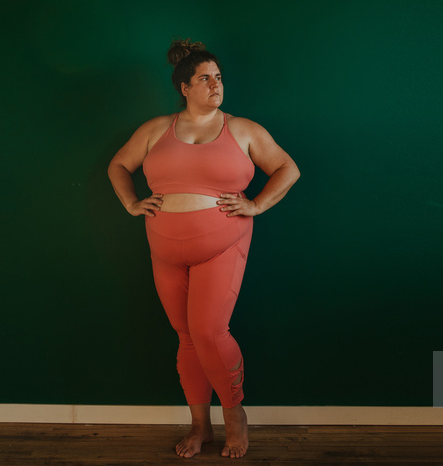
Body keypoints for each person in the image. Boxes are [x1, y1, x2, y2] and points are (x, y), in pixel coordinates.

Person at [107, 39, 300, 459]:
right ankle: (200, 426)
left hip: (222, 245)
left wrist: (255, 204)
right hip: (164, 249)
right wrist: (132, 203)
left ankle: (235, 416)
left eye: (219, 78)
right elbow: (118, 165)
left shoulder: (244, 129)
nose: (216, 85)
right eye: (205, 79)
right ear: (184, 87)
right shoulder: (157, 129)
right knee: (187, 338)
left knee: (210, 333)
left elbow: (288, 168)